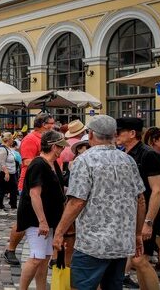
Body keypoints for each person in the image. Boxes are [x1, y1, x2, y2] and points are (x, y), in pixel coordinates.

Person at [53, 115, 146, 289]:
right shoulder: (128, 160)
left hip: (92, 243)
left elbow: (76, 202)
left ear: (91, 135)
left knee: (82, 286)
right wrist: (137, 233)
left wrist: (59, 232)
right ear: (114, 135)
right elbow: (140, 200)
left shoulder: (85, 160)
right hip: (120, 242)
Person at [17, 131, 67, 290]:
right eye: (60, 147)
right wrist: (42, 221)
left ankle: (41, 288)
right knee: (36, 257)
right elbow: (34, 194)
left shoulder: (54, 164)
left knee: (45, 257)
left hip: (50, 217)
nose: (62, 150)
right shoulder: (39, 164)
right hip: (36, 218)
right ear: (53, 147)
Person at [117, 117, 160, 290]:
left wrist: (148, 222)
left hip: (148, 214)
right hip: (134, 214)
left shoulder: (148, 154)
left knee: (139, 259)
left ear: (132, 133)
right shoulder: (125, 153)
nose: (117, 135)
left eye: (120, 131)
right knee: (138, 260)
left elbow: (157, 190)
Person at [3, 113, 55, 266]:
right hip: (30, 183)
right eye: (51, 123)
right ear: (43, 124)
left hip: (48, 185)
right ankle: (10, 249)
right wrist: (47, 161)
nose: (54, 125)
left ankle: (51, 253)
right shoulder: (30, 139)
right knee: (24, 219)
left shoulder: (49, 138)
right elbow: (26, 161)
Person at [143, 126, 160, 286]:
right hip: (159, 208)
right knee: (142, 257)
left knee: (145, 254)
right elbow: (157, 189)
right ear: (154, 141)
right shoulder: (153, 157)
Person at [0, 132, 19, 215]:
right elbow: (2, 163)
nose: (13, 140)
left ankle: (13, 207)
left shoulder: (8, 148)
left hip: (12, 172)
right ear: (8, 139)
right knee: (1, 190)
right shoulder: (2, 149)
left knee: (13, 190)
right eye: (12, 138)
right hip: (4, 173)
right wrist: (6, 173)